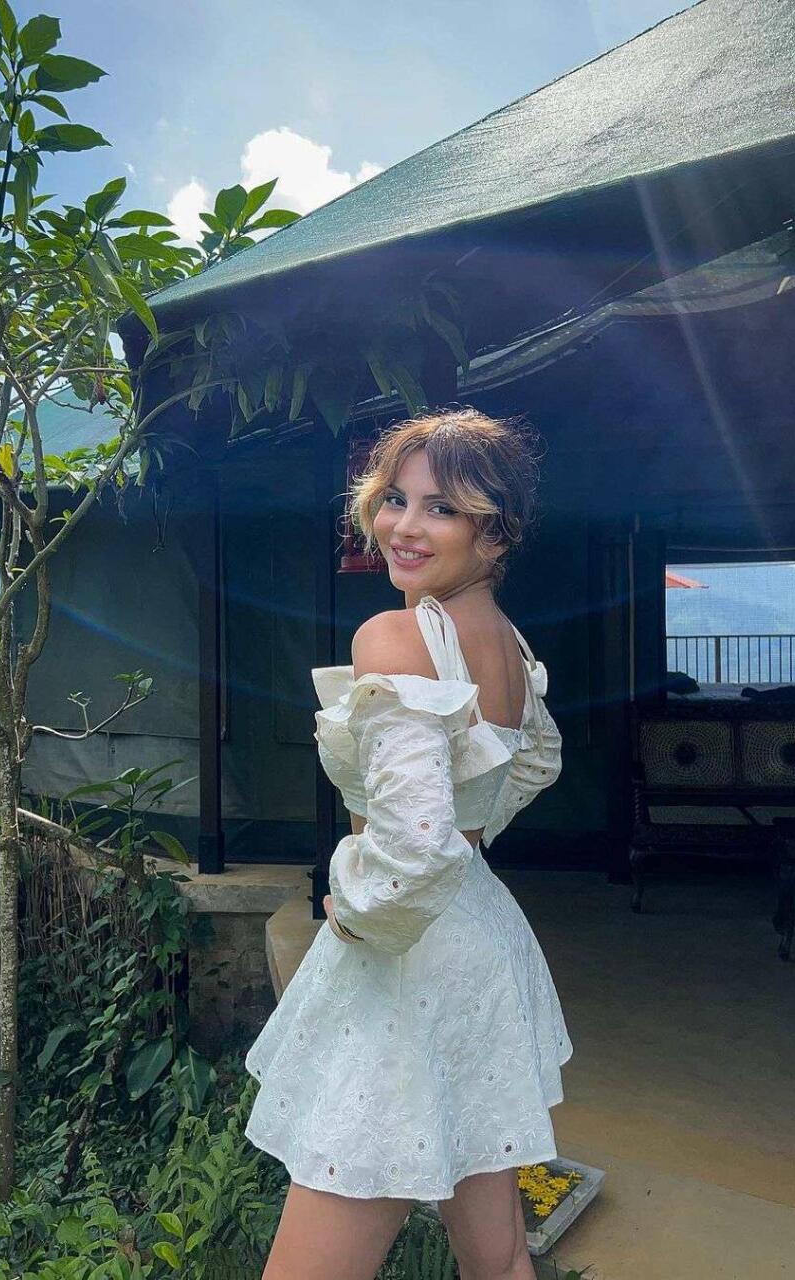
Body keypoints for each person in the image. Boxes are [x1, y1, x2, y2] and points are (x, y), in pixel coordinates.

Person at [245, 407, 572, 1280]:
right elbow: (531, 765)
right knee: (498, 1258)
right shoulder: (509, 645)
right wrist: (467, 836)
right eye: (397, 497)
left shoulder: (393, 636)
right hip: (481, 942)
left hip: (410, 965)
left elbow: (416, 851)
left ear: (495, 534)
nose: (405, 526)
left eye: (443, 508)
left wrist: (355, 909)